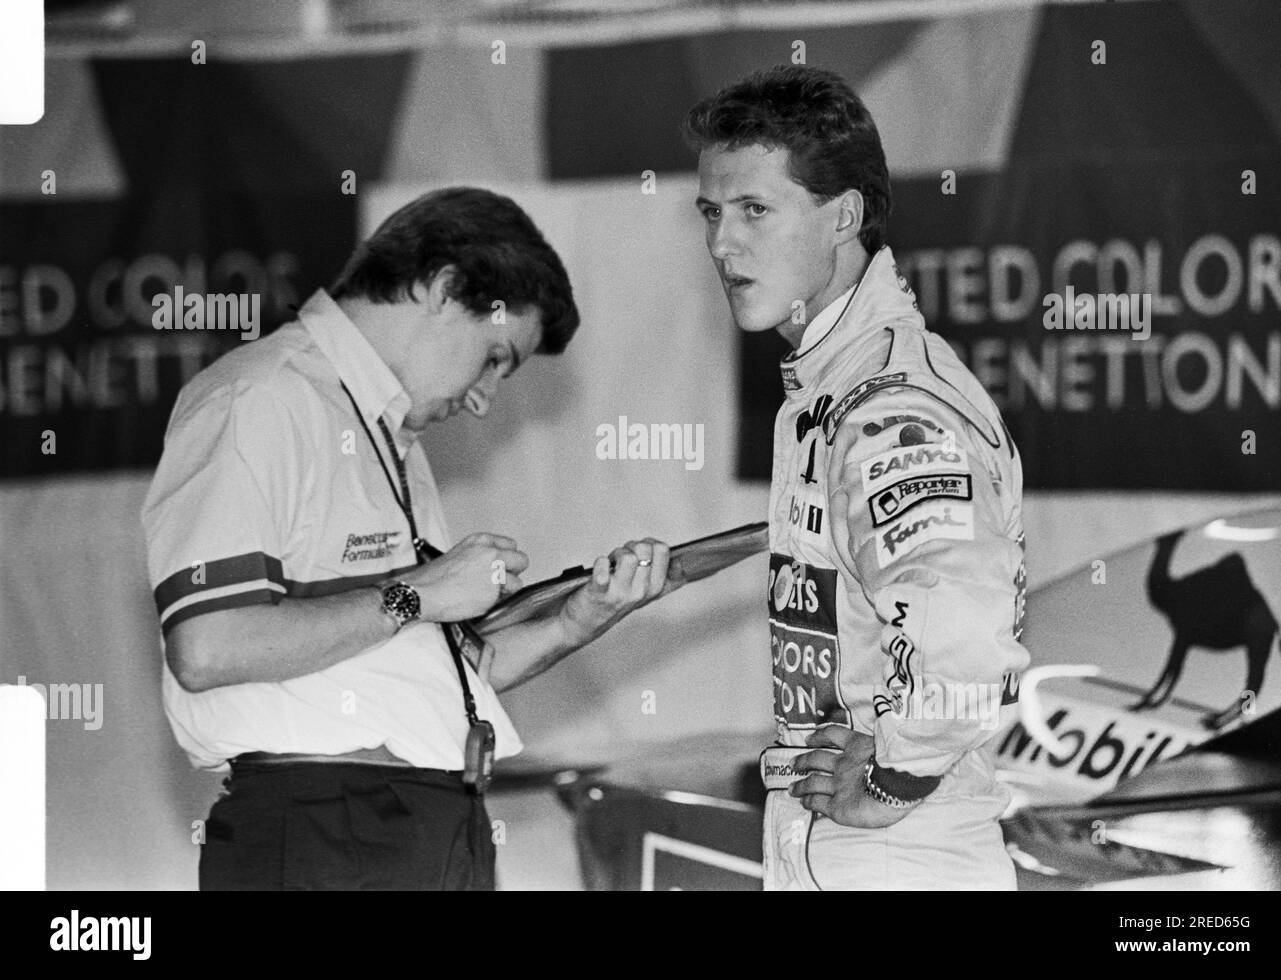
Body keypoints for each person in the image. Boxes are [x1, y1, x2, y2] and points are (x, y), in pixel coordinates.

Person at [141, 187, 675, 890]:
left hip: (425, 826)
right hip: (325, 830)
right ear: (442, 286)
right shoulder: (260, 397)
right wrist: (418, 593)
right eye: (494, 357)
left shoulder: (392, 436)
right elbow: (205, 646)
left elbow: (421, 678)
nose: (485, 398)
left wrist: (580, 622)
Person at [685, 66, 1030, 889]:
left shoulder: (889, 404)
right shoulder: (829, 386)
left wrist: (893, 778)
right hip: (847, 844)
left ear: (844, 216)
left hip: (897, 852)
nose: (720, 244)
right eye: (711, 213)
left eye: (753, 211)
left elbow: (965, 644)